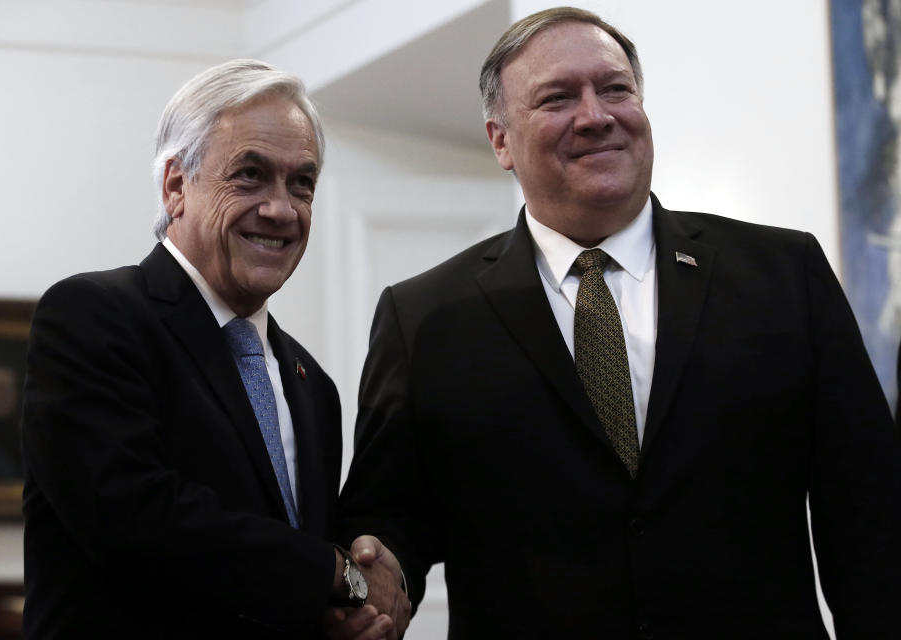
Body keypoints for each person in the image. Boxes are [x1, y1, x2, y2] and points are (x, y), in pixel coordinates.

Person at [338, 8, 901, 639]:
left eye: (615, 89)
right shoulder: (424, 318)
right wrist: (377, 574)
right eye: (558, 97)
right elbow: (392, 518)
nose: (596, 115)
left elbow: (869, 513)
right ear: (500, 139)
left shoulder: (782, 274)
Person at [21, 59, 407, 640]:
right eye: (250, 175)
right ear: (176, 187)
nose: (281, 209)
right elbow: (134, 518)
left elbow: (285, 567)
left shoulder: (312, 384)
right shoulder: (94, 315)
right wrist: (338, 574)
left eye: (301, 182)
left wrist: (345, 614)